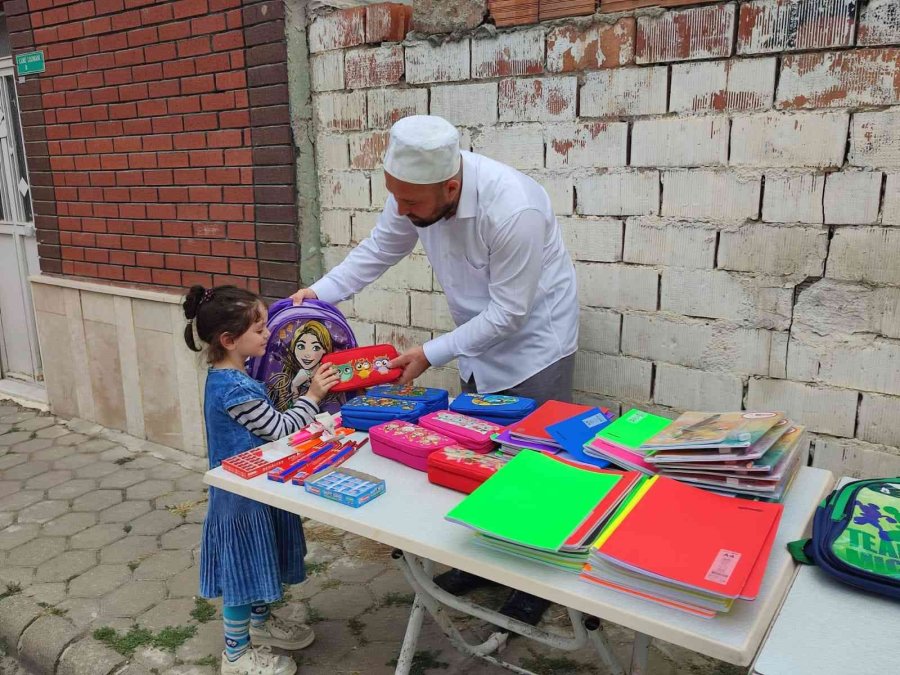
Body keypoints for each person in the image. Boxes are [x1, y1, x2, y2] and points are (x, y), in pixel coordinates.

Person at [291, 115, 580, 626]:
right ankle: (487, 564)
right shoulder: (413, 190)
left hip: (535, 345)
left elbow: (511, 313)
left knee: (533, 466)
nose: (401, 211)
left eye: (411, 204)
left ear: (451, 185)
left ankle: (534, 584)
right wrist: (319, 293)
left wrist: (430, 353)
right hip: (472, 340)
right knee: (479, 456)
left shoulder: (514, 208)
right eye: (395, 198)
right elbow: (380, 249)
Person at [183, 285, 340, 675]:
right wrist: (315, 396)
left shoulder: (239, 377)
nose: (267, 335)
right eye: (259, 329)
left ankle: (262, 625)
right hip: (240, 500)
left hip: (259, 487)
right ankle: (235, 655)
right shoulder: (234, 389)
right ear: (229, 340)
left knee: (261, 561)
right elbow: (280, 428)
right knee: (243, 572)